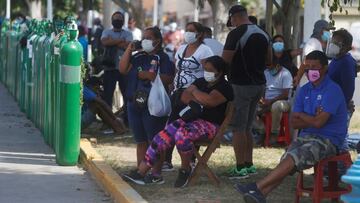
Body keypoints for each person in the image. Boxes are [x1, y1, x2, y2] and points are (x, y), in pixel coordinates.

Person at [235, 50, 348, 203]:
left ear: (325, 68)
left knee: (294, 156)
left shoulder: (332, 90)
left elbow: (319, 123)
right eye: (307, 67)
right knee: (287, 158)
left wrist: (306, 117)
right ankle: (261, 194)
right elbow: (294, 122)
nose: (310, 71)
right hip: (307, 136)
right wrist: (310, 117)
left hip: (329, 140)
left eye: (315, 67)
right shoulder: (304, 90)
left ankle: (256, 186)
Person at [122, 56, 233, 187]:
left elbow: (209, 101)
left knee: (182, 134)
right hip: (191, 119)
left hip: (210, 126)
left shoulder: (225, 87)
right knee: (162, 136)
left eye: (210, 70)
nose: (206, 72)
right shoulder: (201, 81)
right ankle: (141, 172)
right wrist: (199, 99)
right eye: (205, 69)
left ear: (219, 72)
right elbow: (185, 95)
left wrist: (195, 93)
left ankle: (185, 170)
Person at [222, 5, 271, 179]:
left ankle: (240, 167)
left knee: (238, 128)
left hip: (240, 85)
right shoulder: (264, 33)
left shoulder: (236, 34)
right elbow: (270, 59)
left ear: (234, 17)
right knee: (248, 127)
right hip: (259, 84)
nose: (232, 23)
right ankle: (249, 165)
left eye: (232, 20)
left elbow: (224, 60)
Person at [119, 26, 175, 167]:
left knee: (154, 140)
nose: (145, 41)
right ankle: (140, 170)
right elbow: (122, 68)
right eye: (144, 38)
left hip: (152, 104)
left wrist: (151, 76)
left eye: (149, 38)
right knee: (141, 141)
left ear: (158, 40)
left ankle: (155, 172)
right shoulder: (139, 56)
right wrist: (129, 49)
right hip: (135, 103)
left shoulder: (163, 57)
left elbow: (169, 78)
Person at [164, 22, 214, 171]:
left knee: (188, 124)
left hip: (192, 95)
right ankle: (167, 159)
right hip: (177, 93)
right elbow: (176, 69)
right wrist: (172, 86)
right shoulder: (181, 48)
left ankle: (191, 159)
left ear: (200, 34)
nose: (188, 33)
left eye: (192, 31)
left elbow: (208, 73)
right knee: (170, 125)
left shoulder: (205, 50)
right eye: (187, 30)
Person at [327, 29, 357, 151]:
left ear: (345, 47)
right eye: (332, 41)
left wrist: (341, 107)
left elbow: (349, 90)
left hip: (340, 109)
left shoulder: (346, 62)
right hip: (333, 105)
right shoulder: (335, 59)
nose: (333, 44)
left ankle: (344, 167)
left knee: (340, 141)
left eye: (336, 42)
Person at [101, 11, 133, 107]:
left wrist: (112, 41)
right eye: (115, 19)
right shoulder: (106, 31)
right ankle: (108, 119)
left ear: (123, 21)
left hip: (124, 68)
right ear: (112, 21)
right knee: (108, 95)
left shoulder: (128, 33)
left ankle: (126, 119)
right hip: (109, 67)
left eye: (119, 19)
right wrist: (120, 40)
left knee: (126, 95)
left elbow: (127, 46)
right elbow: (104, 42)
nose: (117, 20)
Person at [253, 63, 293, 139]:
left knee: (276, 106)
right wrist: (261, 99)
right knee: (248, 107)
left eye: (270, 67)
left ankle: (274, 132)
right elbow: (263, 88)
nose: (269, 69)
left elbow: (285, 95)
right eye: (267, 67)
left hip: (283, 102)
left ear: (277, 65)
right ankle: (262, 130)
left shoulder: (285, 74)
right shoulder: (266, 72)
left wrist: (271, 101)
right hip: (267, 101)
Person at [294, 20, 335, 86]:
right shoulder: (312, 43)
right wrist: (298, 78)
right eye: (327, 30)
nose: (329, 33)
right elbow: (305, 63)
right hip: (311, 84)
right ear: (320, 31)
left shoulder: (322, 45)